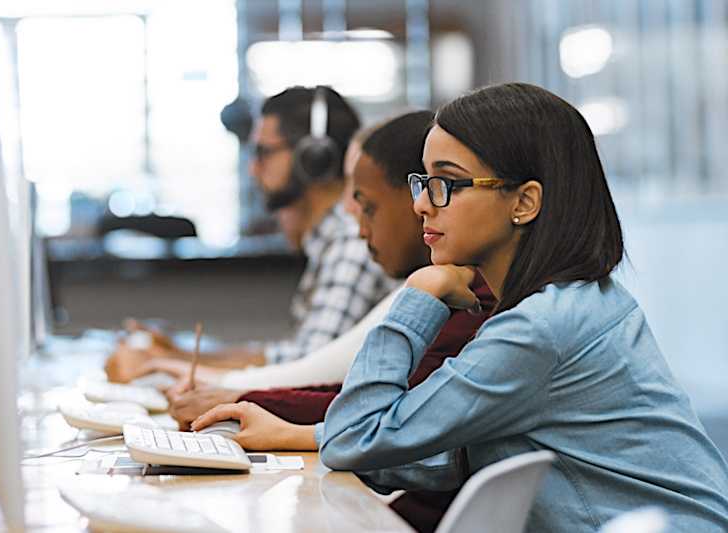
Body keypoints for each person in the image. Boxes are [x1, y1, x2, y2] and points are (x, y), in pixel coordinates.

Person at [298, 83, 728, 531]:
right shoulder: (576, 301)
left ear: (524, 202)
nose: (422, 204)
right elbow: (465, 452)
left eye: (446, 182)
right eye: (423, 181)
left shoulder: (539, 329)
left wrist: (420, 296)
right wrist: (308, 437)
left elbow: (356, 437)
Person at [188, 110, 494, 532]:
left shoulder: (480, 305)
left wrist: (243, 397)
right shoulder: (457, 290)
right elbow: (385, 422)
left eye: (441, 186)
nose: (422, 204)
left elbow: (378, 426)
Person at [105, 86, 396, 382]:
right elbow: (288, 356)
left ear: (312, 158)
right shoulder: (330, 241)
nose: (252, 169)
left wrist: (165, 363)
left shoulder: (351, 242)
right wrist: (177, 355)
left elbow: (302, 372)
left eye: (263, 152)